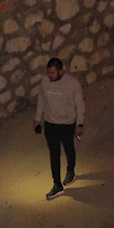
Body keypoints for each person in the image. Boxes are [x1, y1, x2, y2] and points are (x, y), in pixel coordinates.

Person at [33, 57, 85, 200]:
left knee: (69, 149)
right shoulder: (45, 81)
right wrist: (37, 119)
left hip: (67, 124)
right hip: (50, 124)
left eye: (53, 73)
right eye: (48, 73)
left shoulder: (72, 83)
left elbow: (79, 104)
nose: (50, 76)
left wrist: (79, 123)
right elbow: (42, 100)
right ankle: (57, 185)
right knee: (54, 154)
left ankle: (71, 171)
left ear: (61, 71)